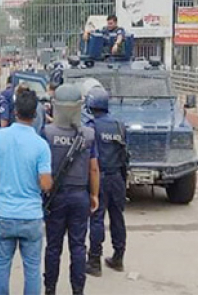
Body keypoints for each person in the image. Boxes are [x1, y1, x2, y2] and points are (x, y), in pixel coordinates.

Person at [0, 89, 52, 295]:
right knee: (32, 269)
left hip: (4, 213)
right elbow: (45, 184)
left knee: (1, 267)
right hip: (30, 216)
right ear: (35, 114)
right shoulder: (41, 146)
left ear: (15, 112)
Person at [41, 85, 99, 295]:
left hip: (55, 196)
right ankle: (78, 290)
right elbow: (93, 168)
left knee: (53, 246)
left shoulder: (47, 133)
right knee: (78, 246)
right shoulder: (89, 135)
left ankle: (50, 289)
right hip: (79, 195)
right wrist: (94, 194)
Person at [84, 87, 128, 276]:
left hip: (99, 177)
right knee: (117, 217)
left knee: (96, 218)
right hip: (117, 177)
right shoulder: (119, 125)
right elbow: (125, 156)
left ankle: (94, 261)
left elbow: (89, 158)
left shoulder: (91, 127)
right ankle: (118, 256)